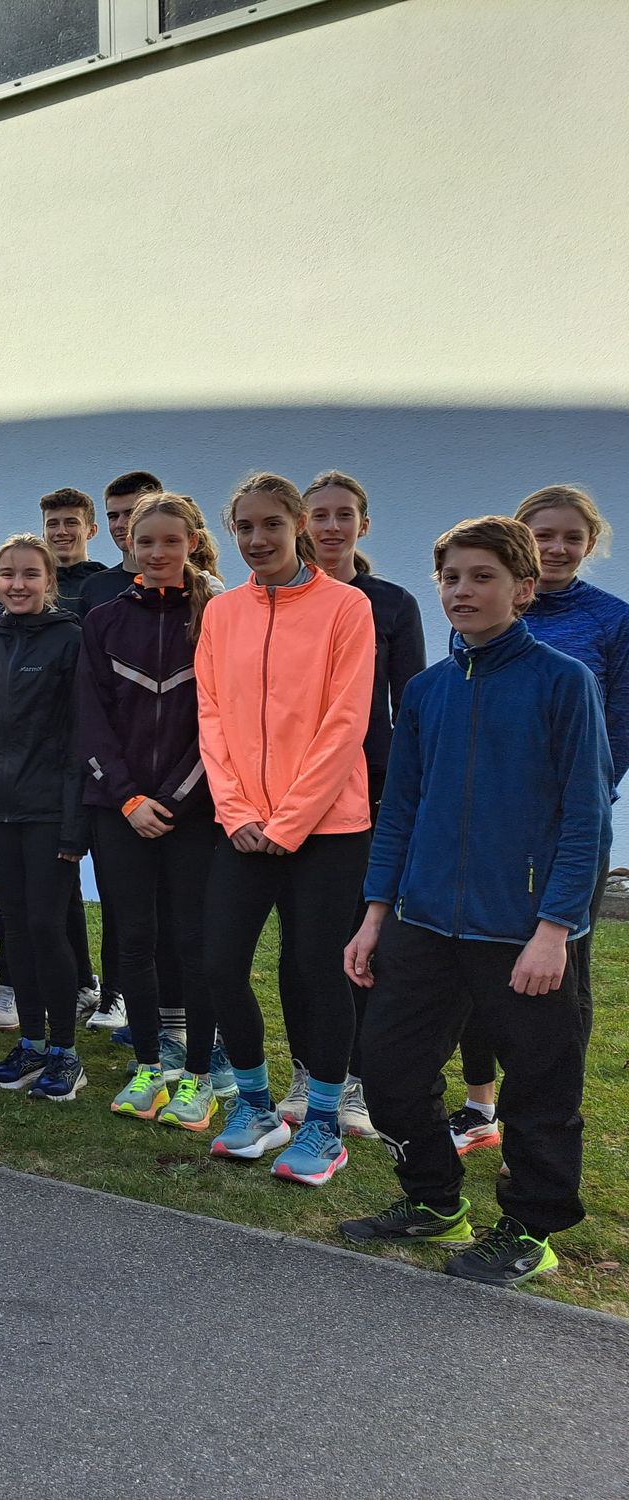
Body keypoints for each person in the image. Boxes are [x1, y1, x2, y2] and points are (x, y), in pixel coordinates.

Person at [342, 515, 610, 1287]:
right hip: (424, 922)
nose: (462, 590)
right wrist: (374, 916)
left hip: (524, 931)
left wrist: (555, 930)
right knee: (390, 1073)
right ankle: (435, 1202)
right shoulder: (426, 691)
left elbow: (586, 816)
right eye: (451, 577)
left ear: (522, 590)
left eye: (482, 577)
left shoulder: (563, 682)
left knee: (541, 1090)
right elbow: (401, 810)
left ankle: (531, 1230)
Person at [195, 473, 375, 1184]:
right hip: (243, 828)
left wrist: (291, 820)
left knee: (316, 971)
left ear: (298, 525)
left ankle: (324, 1124)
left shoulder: (347, 606)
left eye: (271, 524)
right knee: (218, 965)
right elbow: (212, 717)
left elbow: (346, 721)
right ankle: (256, 1107)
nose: (257, 538)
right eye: (244, 526)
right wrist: (238, 812)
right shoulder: (222, 613)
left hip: (328, 829)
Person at [452, 486, 627, 1148]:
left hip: (566, 833)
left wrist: (577, 804)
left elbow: (618, 732)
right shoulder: (479, 603)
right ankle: (479, 1107)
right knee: (476, 967)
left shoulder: (613, 621)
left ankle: (540, 1127)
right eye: (541, 535)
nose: (556, 548)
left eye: (571, 537)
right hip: (486, 831)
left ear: (590, 544)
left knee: (559, 983)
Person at [280, 471, 427, 1136]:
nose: (331, 526)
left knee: (357, 942)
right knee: (298, 944)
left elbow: (409, 707)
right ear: (301, 524)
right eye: (320, 515)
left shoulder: (391, 604)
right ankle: (307, 1070)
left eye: (345, 515)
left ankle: (357, 1082)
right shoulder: (281, 599)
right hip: (287, 795)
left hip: (365, 796)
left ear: (363, 525)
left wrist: (402, 795)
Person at [76, 496, 221, 1125]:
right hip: (120, 811)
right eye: (146, 542)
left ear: (192, 543)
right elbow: (88, 721)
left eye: (171, 541)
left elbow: (221, 723)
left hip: (194, 812)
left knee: (193, 941)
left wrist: (175, 798)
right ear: (129, 546)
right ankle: (147, 1067)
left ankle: (198, 1076)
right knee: (133, 940)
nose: (158, 552)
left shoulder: (216, 616)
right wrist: (129, 797)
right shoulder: (103, 620)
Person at [0, 536, 88, 1101]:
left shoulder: (71, 639)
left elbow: (81, 735)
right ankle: (32, 1043)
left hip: (49, 810)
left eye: (30, 575)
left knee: (46, 925)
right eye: (8, 574)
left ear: (49, 581)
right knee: (14, 925)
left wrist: (74, 822)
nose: (18, 585)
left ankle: (65, 1052)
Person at [39, 487, 108, 1022]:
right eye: (52, 523)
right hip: (42, 753)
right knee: (59, 883)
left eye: (70, 522)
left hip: (93, 748)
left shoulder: (102, 586)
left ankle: (116, 990)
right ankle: (81, 981)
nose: (61, 531)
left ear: (90, 529)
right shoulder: (39, 585)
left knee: (108, 880)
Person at [77, 471, 164, 617]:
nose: (119, 524)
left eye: (130, 514)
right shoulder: (95, 586)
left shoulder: (191, 585)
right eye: (113, 516)